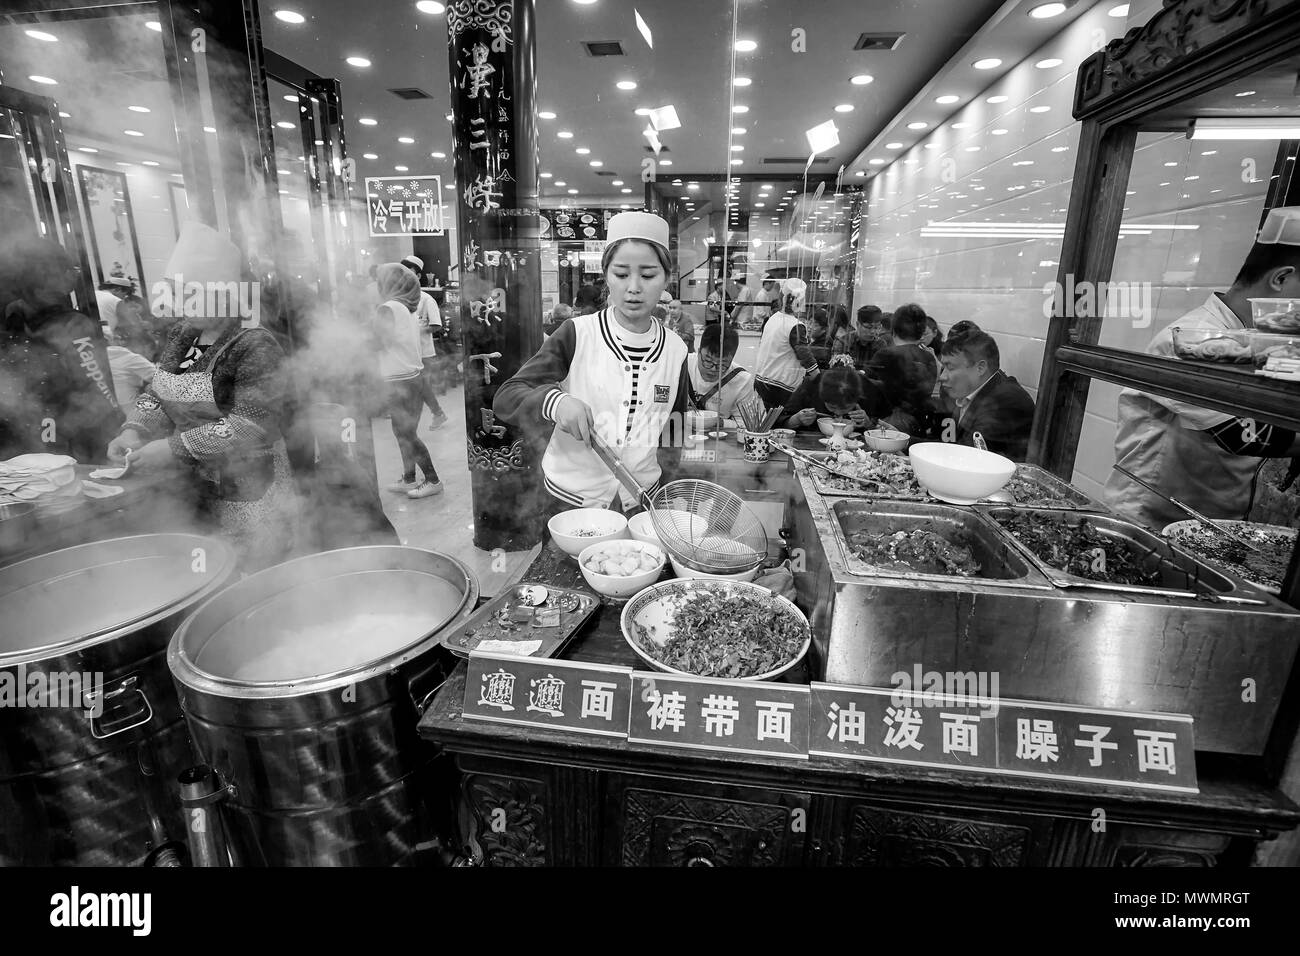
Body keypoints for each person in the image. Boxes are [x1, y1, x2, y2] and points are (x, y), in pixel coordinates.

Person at [104, 222, 298, 572]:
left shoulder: (254, 343)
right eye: (177, 293)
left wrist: (173, 448)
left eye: (190, 294)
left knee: (255, 571)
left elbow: (251, 425)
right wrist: (135, 429)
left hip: (251, 484)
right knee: (211, 571)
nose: (179, 303)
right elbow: (158, 392)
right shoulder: (183, 334)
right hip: (197, 483)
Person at [1105, 206, 1300, 529]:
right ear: (1280, 278)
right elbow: (1244, 435)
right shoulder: (1192, 341)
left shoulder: (1268, 344)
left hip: (1214, 525)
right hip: (1149, 523)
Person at [494, 211, 689, 521]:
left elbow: (673, 431)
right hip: (570, 503)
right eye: (621, 274)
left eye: (649, 275)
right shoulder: (577, 333)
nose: (634, 287)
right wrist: (556, 403)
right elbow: (507, 395)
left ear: (666, 278)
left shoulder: (676, 350)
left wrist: (669, 492)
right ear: (606, 274)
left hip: (641, 503)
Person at [1, 236, 123, 462]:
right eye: (68, 269)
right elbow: (96, 387)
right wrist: (117, 424)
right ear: (46, 276)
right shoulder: (73, 326)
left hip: (23, 434)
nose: (74, 276)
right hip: (69, 439)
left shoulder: (12, 314)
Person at [372, 263, 443, 500]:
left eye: (379, 280)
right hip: (411, 377)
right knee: (402, 432)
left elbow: (379, 341)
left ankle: (432, 479)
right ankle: (409, 477)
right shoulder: (404, 307)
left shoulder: (387, 307)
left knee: (406, 433)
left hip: (399, 381)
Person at [936, 331, 1036, 461]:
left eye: (950, 368)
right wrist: (906, 442)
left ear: (980, 368)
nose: (942, 377)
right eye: (943, 367)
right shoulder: (965, 392)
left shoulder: (1006, 401)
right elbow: (947, 441)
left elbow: (968, 457)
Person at [866, 303, 938, 437]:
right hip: (917, 429)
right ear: (921, 332)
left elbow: (869, 392)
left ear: (894, 330)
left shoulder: (885, 355)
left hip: (885, 428)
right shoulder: (929, 358)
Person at [399, 255, 448, 431]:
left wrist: (416, 330)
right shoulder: (400, 300)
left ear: (418, 276)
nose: (405, 276)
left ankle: (436, 413)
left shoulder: (426, 299)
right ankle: (434, 414)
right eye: (402, 272)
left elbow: (436, 325)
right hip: (406, 352)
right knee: (419, 387)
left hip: (424, 352)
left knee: (423, 386)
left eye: (409, 273)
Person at [754, 277, 818, 407]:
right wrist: (818, 377)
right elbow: (804, 355)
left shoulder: (773, 318)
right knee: (780, 424)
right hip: (780, 386)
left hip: (761, 380)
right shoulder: (795, 325)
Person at [779, 367, 887, 433]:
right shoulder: (811, 386)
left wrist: (868, 424)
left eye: (845, 408)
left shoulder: (867, 389)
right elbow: (778, 423)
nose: (838, 415)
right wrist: (796, 420)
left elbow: (883, 430)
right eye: (832, 407)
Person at [686, 323, 756, 419]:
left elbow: (746, 424)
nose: (713, 369)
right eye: (708, 361)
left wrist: (720, 423)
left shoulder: (742, 381)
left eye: (722, 365)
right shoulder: (682, 365)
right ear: (698, 352)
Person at [834, 305, 893, 370]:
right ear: (857, 324)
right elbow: (836, 368)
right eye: (868, 327)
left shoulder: (880, 344)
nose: (873, 332)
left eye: (876, 327)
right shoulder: (843, 342)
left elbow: (879, 370)